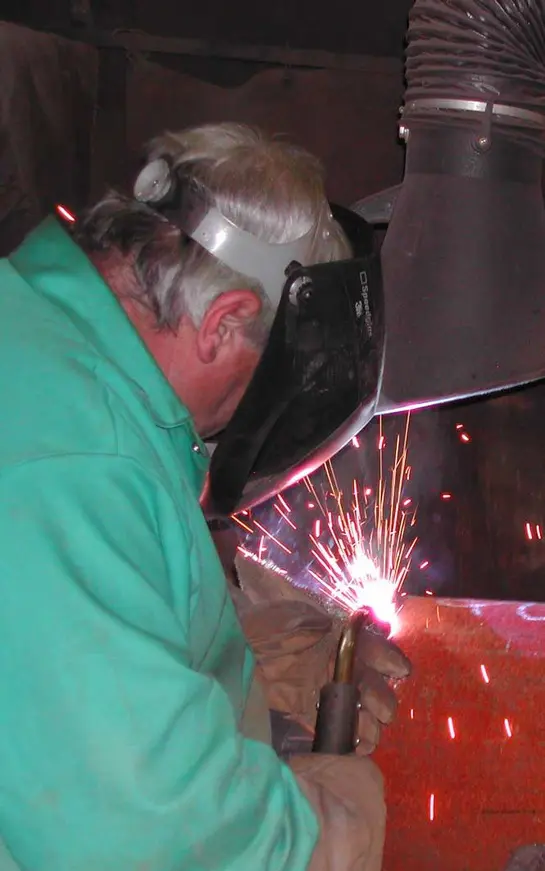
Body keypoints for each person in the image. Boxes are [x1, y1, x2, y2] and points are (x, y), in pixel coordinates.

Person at [0, 122, 409, 871]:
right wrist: (320, 840)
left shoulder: (44, 350)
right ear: (224, 325)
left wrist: (238, 647)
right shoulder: (77, 460)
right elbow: (138, 831)